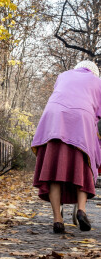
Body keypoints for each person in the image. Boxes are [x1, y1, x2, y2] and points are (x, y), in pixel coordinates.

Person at [32, 60, 101, 233]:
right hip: (80, 119)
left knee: (54, 172)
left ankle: (57, 220)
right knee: (83, 168)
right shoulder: (96, 81)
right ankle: (81, 211)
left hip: (54, 119)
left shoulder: (63, 76)